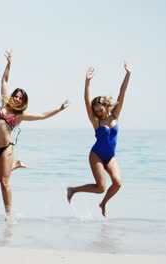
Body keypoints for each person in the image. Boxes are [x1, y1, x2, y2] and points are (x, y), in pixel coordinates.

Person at [0, 50, 70, 220]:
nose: (17, 99)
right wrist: (9, 64)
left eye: (20, 98)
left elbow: (41, 115)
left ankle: (8, 215)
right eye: (16, 96)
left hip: (6, 148)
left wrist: (59, 109)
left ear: (23, 101)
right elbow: (4, 80)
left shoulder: (19, 116)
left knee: (4, 183)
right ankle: (15, 165)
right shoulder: (4, 104)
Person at [67, 62, 132, 217]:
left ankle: (103, 203)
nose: (99, 113)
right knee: (100, 188)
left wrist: (128, 74)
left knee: (118, 183)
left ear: (106, 107)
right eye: (96, 111)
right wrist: (87, 82)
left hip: (110, 156)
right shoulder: (96, 122)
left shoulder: (115, 114)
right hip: (96, 155)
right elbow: (86, 101)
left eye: (101, 110)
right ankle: (73, 190)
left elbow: (122, 93)